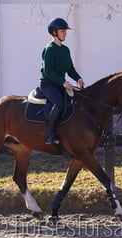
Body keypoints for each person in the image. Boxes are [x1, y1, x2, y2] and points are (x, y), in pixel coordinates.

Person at [40, 17, 84, 145]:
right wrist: (63, 82)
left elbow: (70, 69)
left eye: (65, 31)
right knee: (59, 103)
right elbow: (48, 71)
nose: (65, 33)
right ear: (54, 32)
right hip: (48, 84)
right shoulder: (49, 49)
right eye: (62, 31)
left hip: (59, 84)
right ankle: (50, 134)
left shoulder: (65, 50)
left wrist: (78, 78)